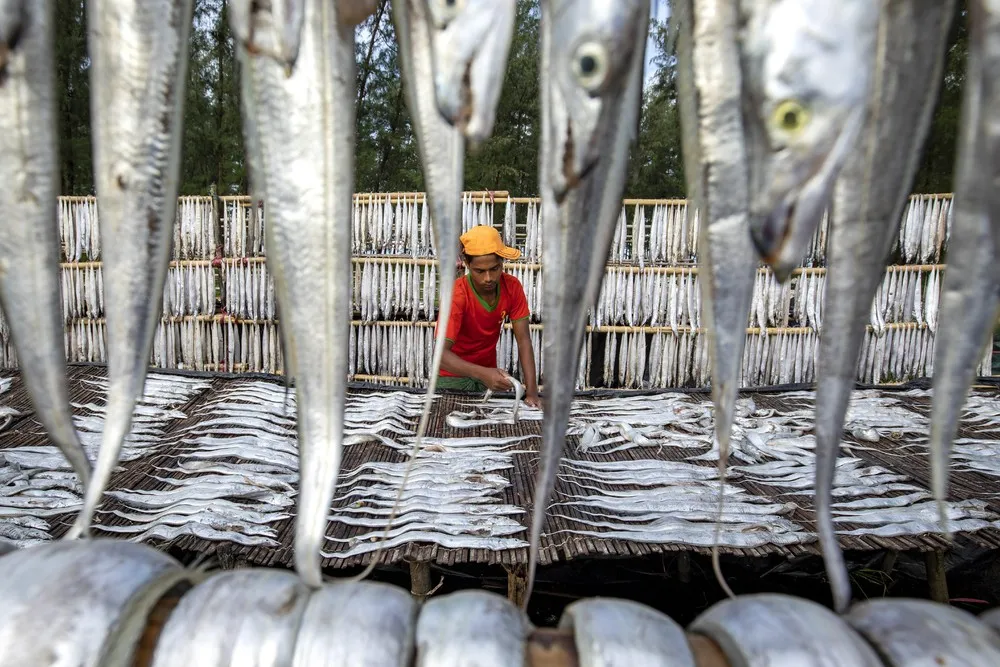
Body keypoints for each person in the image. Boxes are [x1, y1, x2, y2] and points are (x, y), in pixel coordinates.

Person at [435, 225, 542, 408]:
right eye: (479, 271)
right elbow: (441, 355)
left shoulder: (512, 287)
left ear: (502, 262)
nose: (488, 278)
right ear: (467, 264)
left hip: (488, 379)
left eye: (494, 269)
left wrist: (532, 393)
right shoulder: (456, 295)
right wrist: (483, 373)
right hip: (452, 380)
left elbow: (524, 340)